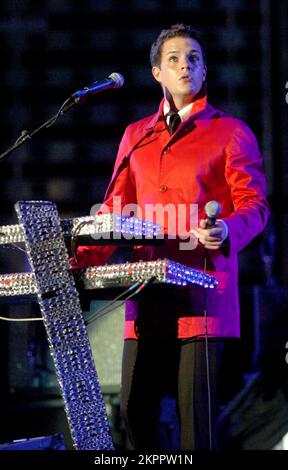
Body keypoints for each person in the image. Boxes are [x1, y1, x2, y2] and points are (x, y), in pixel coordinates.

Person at [73, 24, 269, 450]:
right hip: (145, 300)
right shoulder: (136, 135)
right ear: (157, 72)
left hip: (202, 298)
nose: (185, 65)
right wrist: (78, 263)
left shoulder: (231, 132)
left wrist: (227, 229)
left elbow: (255, 206)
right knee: (135, 414)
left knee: (195, 427)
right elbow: (113, 214)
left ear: (204, 70)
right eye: (175, 58)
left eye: (194, 58)